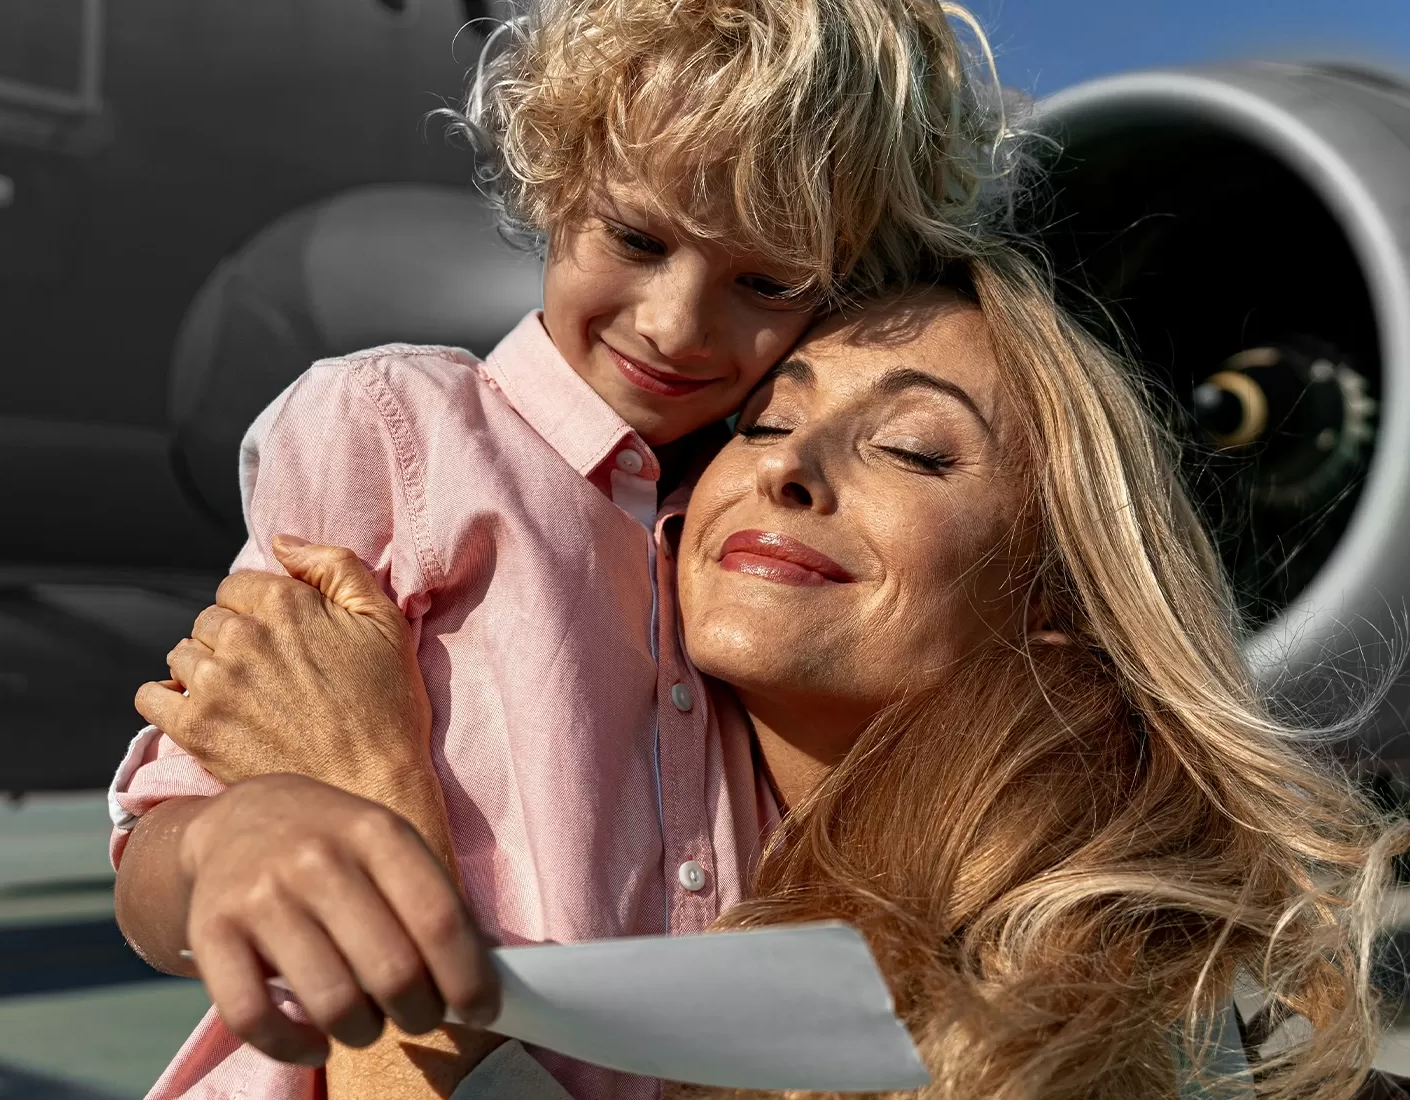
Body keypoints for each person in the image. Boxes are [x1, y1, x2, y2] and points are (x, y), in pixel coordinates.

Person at [128, 251, 1410, 1100]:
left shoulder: (1122, 1003)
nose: (785, 466)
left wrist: (374, 794)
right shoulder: (727, 909)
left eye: (919, 451)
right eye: (762, 421)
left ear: (1055, 599)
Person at [109, 2, 1019, 1098]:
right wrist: (231, 840)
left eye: (765, 282)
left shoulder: (750, 527)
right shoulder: (394, 426)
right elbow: (165, 823)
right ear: (552, 187)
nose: (678, 325)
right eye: (636, 241)